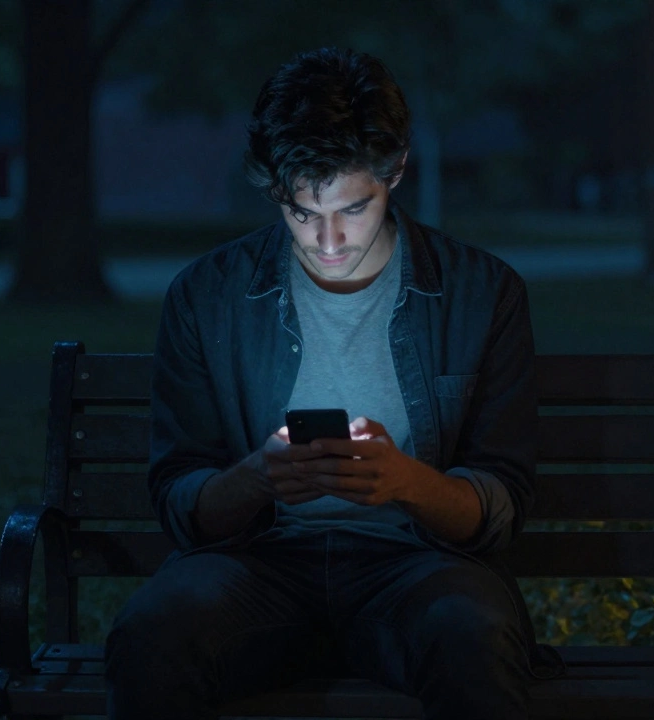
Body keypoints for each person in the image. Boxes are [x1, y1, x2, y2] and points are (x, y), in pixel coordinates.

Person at [105, 47, 540, 719]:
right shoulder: (208, 296)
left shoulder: (480, 294)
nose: (328, 239)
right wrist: (255, 478)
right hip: (258, 565)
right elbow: (181, 497)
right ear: (273, 189)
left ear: (396, 170)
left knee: (472, 635)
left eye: (352, 209)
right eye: (301, 212)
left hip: (414, 566)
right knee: (153, 635)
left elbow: (502, 502)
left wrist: (404, 483)